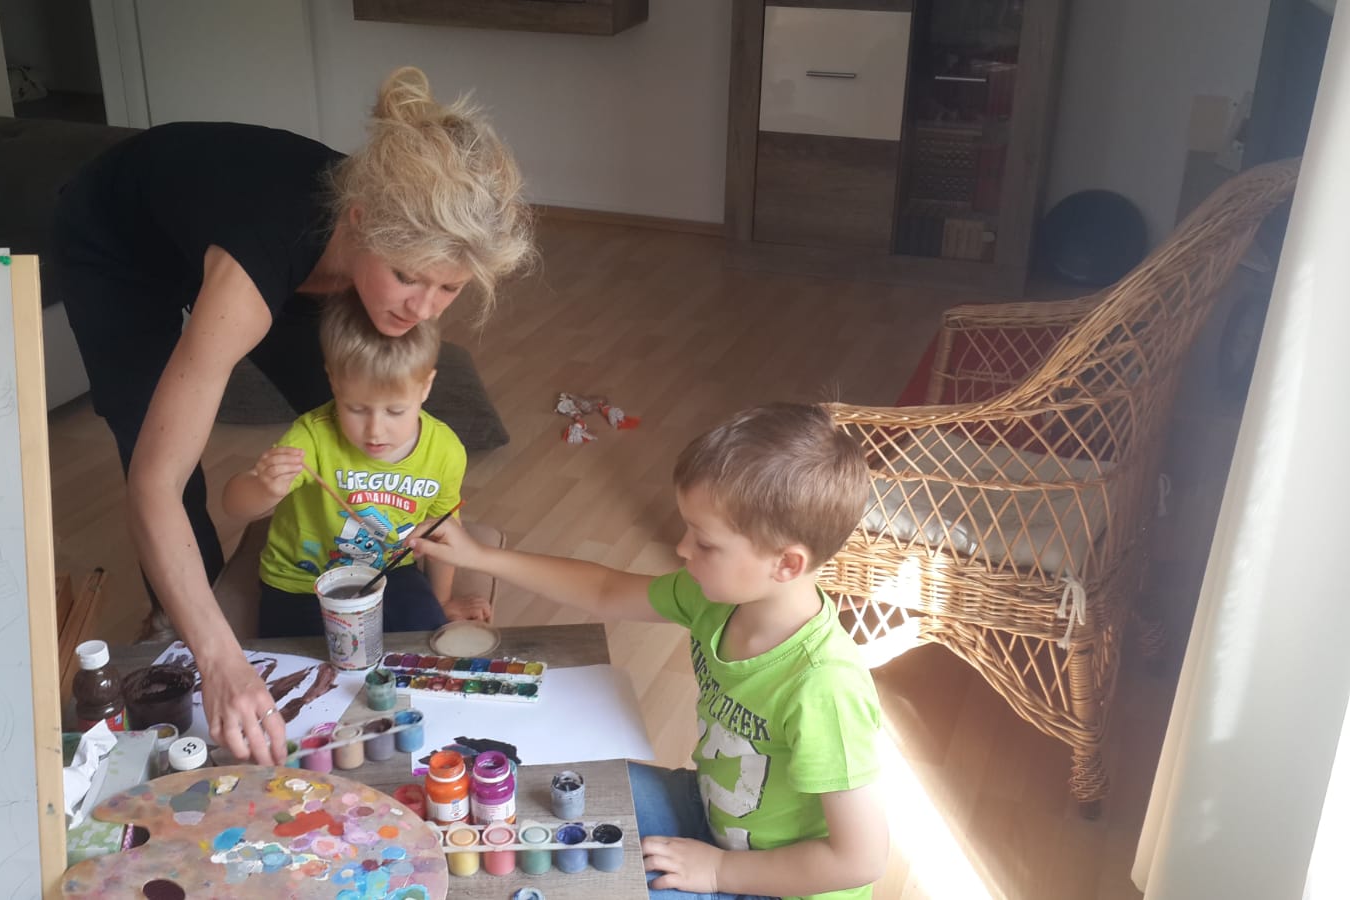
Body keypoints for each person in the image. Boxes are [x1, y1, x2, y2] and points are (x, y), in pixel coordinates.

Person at [50, 66, 533, 764]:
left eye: (447, 288)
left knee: (345, 416)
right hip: (117, 239)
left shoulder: (389, 222)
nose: (421, 309)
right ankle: (186, 624)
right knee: (154, 440)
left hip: (263, 238)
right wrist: (221, 660)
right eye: (406, 277)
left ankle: (350, 569)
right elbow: (155, 486)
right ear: (359, 222)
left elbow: (370, 428)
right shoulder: (259, 261)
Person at [411, 404, 890, 900]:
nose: (682, 548)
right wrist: (479, 556)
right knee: (553, 788)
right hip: (709, 815)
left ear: (786, 564)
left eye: (705, 543)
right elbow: (604, 589)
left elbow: (860, 859)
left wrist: (720, 872)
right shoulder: (715, 598)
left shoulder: (825, 686)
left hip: (774, 883)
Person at [220, 297, 488, 637]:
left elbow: (442, 530)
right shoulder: (312, 436)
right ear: (333, 382)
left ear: (425, 386)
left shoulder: (445, 451)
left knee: (427, 645)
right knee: (303, 663)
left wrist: (441, 601)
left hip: (391, 573)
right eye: (357, 409)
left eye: (395, 411)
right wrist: (263, 488)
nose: (375, 431)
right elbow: (232, 505)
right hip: (301, 581)